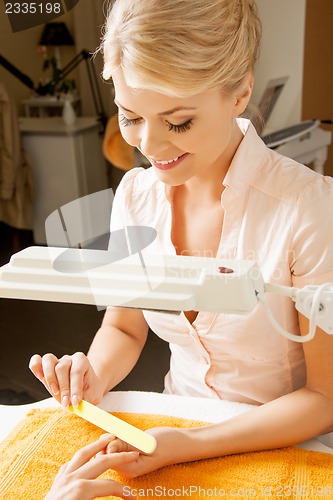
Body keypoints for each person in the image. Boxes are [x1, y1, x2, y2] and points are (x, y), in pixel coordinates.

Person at [30, 0, 333, 482]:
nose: (149, 146)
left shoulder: (306, 208)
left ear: (240, 93)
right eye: (130, 118)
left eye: (178, 122)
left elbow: (324, 398)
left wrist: (189, 446)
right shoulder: (134, 197)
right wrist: (94, 374)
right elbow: (124, 329)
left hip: (288, 447)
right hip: (173, 431)